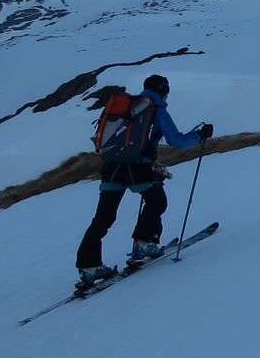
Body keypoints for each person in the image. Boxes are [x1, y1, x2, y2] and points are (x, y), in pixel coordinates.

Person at [75, 74, 212, 286]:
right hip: (138, 168)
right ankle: (144, 243)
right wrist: (199, 135)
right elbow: (176, 140)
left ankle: (89, 266)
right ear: (163, 91)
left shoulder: (127, 108)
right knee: (157, 201)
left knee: (103, 218)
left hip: (112, 167)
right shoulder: (156, 110)